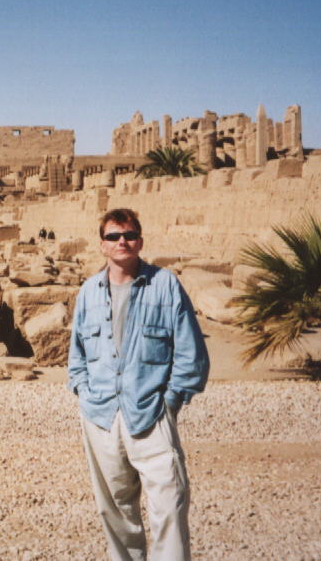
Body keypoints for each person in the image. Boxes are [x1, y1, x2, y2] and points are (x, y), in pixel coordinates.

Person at [69, 208, 209, 561]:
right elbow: (77, 355)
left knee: (170, 505)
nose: (122, 242)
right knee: (115, 511)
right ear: (102, 244)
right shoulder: (88, 292)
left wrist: (172, 401)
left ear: (140, 241)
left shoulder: (165, 285)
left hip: (151, 412)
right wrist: (83, 391)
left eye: (129, 235)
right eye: (114, 236)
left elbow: (191, 352)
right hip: (101, 415)